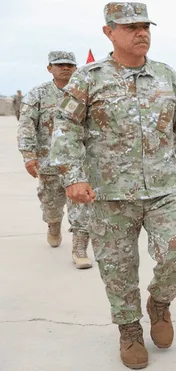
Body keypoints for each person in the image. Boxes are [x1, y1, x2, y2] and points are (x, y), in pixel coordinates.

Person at [49, 2, 176, 368]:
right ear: (109, 32)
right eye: (130, 27)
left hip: (163, 188)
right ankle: (129, 329)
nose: (141, 33)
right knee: (118, 270)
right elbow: (66, 128)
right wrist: (73, 176)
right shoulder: (89, 78)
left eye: (144, 26)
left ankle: (160, 303)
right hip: (108, 194)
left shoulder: (166, 75)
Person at [17, 51, 93, 269]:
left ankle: (79, 248)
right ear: (50, 68)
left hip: (79, 164)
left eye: (70, 65)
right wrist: (28, 155)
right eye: (60, 65)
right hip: (48, 162)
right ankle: (53, 224)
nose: (66, 68)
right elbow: (26, 125)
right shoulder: (38, 94)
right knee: (52, 206)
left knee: (82, 207)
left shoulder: (84, 93)